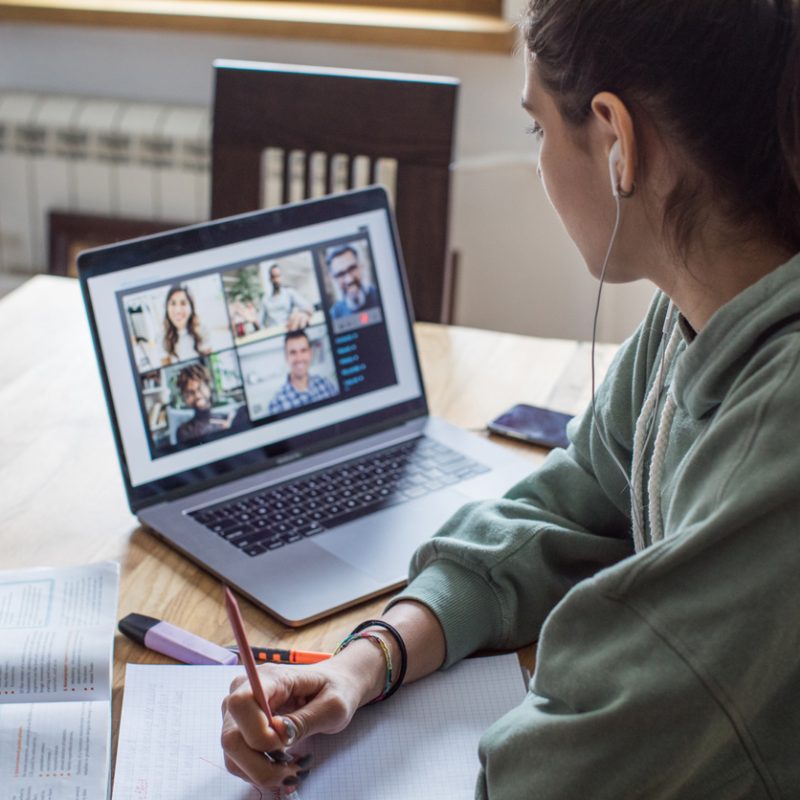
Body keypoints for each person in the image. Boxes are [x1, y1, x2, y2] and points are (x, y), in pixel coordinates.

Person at [219, 1, 800, 796]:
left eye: (538, 129)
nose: (539, 159)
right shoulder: (695, 313)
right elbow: (574, 504)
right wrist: (370, 658)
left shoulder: (780, 429)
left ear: (617, 140)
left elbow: (563, 768)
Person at [267, 330, 338, 415]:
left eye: (303, 350)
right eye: (293, 352)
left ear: (310, 353)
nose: (299, 358)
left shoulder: (326, 384)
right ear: (286, 357)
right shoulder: (277, 404)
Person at [174, 363, 234, 444]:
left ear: (208, 387)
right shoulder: (184, 431)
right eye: (190, 392)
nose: (197, 395)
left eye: (200, 388)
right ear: (185, 398)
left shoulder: (227, 418)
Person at [325, 245, 379, 319]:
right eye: (341, 274)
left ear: (360, 267)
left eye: (352, 269)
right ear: (334, 279)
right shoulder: (334, 315)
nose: (349, 279)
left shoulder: (380, 297)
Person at [161, 285, 210, 364]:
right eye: (173, 303)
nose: (178, 311)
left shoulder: (203, 331)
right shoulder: (161, 337)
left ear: (191, 307)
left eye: (183, 303)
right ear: (167, 308)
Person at [261, 262, 314, 330]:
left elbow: (308, 307)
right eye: (274, 277)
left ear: (281, 277)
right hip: (273, 333)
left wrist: (301, 314)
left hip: (288, 330)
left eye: (278, 276)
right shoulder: (265, 299)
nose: (276, 280)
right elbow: (260, 323)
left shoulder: (289, 293)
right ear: (270, 279)